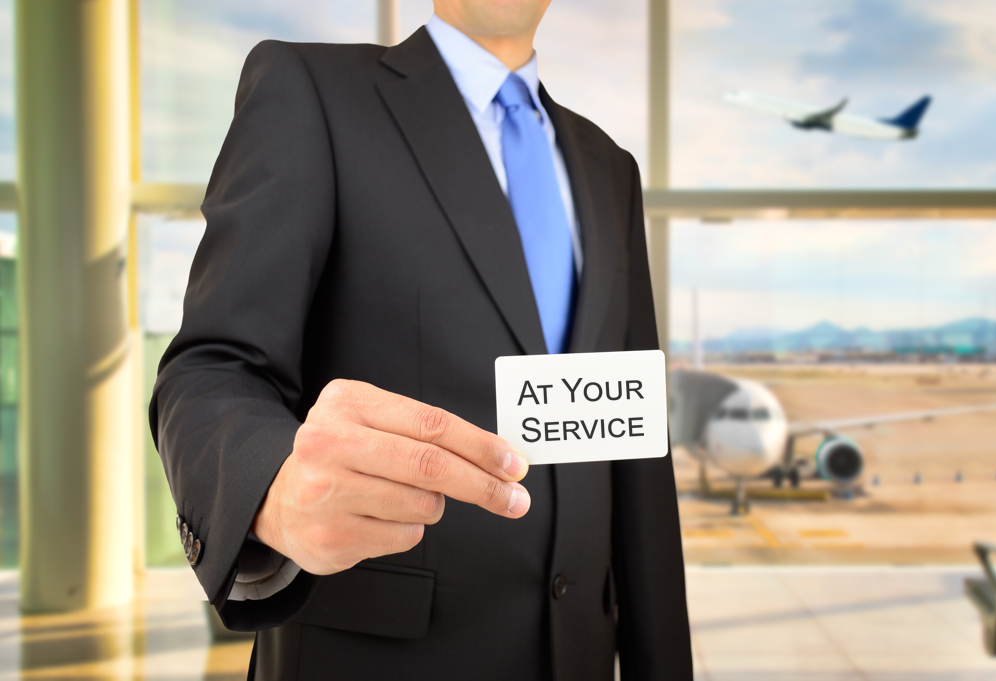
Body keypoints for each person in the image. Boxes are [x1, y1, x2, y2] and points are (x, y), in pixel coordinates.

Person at [150, 0, 692, 678]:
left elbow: (633, 453)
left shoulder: (610, 168)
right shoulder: (310, 92)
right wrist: (271, 487)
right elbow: (214, 366)